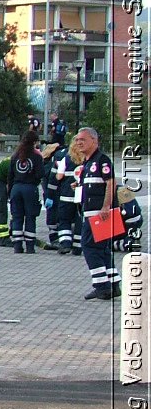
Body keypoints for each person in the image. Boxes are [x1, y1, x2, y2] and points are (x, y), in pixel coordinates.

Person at [74, 126, 120, 299]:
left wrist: (106, 206)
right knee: (101, 249)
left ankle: (101, 286)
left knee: (89, 246)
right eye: (77, 140)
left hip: (99, 213)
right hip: (91, 212)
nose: (79, 143)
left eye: (82, 140)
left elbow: (110, 182)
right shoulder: (87, 162)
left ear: (94, 140)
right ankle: (114, 284)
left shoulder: (102, 160)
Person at [7, 130, 45, 253]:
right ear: (35, 142)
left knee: (17, 217)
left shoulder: (15, 155)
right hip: (30, 188)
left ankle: (17, 246)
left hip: (16, 188)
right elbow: (40, 174)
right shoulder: (37, 156)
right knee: (30, 217)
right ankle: (30, 246)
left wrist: (10, 192)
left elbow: (10, 175)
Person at [52, 135, 87, 256]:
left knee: (64, 220)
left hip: (66, 195)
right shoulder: (88, 160)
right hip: (82, 196)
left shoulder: (66, 159)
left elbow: (59, 176)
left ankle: (65, 243)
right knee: (79, 221)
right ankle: (78, 246)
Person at [114, 186, 144, 252]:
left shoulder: (107, 194)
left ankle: (129, 243)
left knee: (106, 244)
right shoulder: (122, 188)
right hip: (138, 220)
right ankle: (131, 235)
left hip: (127, 223)